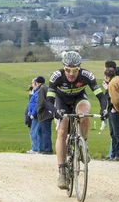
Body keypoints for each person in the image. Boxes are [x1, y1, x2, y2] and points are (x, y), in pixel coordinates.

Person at [47, 51, 108, 189]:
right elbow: (48, 101)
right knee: (62, 131)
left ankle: (83, 145)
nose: (71, 74)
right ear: (63, 67)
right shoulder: (56, 76)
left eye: (75, 70)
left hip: (79, 98)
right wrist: (55, 112)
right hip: (61, 101)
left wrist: (104, 109)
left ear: (79, 68)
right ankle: (62, 171)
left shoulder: (86, 75)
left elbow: (101, 96)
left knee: (84, 114)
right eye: (68, 70)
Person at [36, 77, 54, 155]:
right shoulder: (46, 88)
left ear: (38, 83)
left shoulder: (41, 89)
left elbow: (41, 102)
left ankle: (47, 149)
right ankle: (44, 148)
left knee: (45, 132)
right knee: (43, 131)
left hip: (44, 114)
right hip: (49, 113)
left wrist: (38, 110)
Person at [27, 77, 45, 154]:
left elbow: (37, 104)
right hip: (34, 113)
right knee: (36, 131)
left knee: (34, 132)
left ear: (36, 83)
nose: (32, 85)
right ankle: (38, 148)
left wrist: (33, 114)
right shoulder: (36, 92)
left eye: (32, 83)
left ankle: (36, 149)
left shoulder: (38, 92)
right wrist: (29, 111)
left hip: (36, 115)